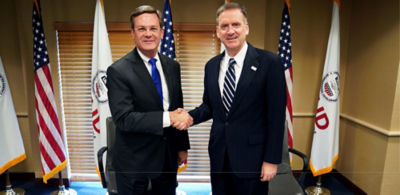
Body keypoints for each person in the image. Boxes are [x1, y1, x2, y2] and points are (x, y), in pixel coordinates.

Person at [188, 2, 286, 195]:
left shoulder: (269, 62)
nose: (230, 31)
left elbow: (276, 117)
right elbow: (209, 106)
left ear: (246, 28)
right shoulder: (212, 66)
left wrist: (271, 160)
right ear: (217, 31)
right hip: (219, 157)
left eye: (236, 25)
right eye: (224, 26)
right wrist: (188, 117)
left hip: (253, 160)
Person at [106, 5, 192, 195]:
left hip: (167, 159)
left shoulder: (172, 66)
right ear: (132, 33)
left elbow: (178, 107)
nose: (148, 34)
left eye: (153, 28)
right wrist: (168, 118)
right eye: (141, 29)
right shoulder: (118, 71)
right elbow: (124, 119)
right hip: (134, 161)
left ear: (161, 32)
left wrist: (181, 147)